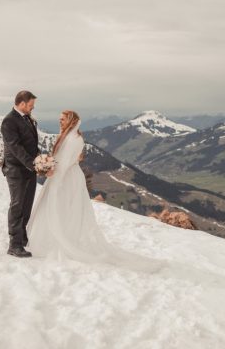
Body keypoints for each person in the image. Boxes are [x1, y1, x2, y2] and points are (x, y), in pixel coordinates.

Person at [26, 110, 168, 273]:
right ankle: (50, 238)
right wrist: (49, 166)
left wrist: (50, 171)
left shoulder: (73, 139)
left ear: (71, 121)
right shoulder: (67, 136)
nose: (60, 122)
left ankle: (61, 240)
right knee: (57, 208)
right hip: (61, 176)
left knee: (62, 208)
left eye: (63, 119)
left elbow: (64, 163)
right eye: (59, 119)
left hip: (65, 178)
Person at [1, 90, 40, 258]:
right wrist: (33, 163)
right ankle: (14, 245)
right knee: (17, 206)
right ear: (22, 103)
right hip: (16, 170)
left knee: (26, 206)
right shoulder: (9, 121)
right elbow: (15, 147)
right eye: (30, 105)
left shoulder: (28, 118)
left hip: (30, 169)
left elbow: (31, 144)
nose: (32, 108)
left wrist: (40, 159)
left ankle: (22, 238)